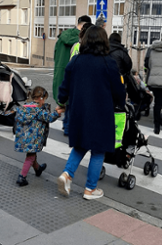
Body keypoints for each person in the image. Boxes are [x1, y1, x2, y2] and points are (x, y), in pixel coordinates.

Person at [56, 26, 126, 200]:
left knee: (80, 145)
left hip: (79, 111)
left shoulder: (75, 61)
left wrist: (62, 101)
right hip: (101, 112)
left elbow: (64, 87)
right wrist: (121, 103)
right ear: (104, 42)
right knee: (98, 150)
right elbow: (118, 90)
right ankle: (90, 189)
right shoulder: (108, 63)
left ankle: (67, 174)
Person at [14, 86, 63, 186]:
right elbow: (48, 118)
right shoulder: (38, 110)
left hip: (23, 138)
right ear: (41, 98)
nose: (44, 102)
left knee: (31, 154)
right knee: (30, 156)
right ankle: (22, 177)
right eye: (44, 100)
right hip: (32, 139)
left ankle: (37, 168)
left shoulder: (24, 107)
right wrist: (58, 112)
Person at [53, 15, 91, 136]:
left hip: (61, 71)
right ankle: (69, 127)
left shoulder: (62, 37)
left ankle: (66, 124)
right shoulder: (82, 41)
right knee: (72, 102)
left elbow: (55, 55)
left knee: (67, 101)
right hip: (75, 73)